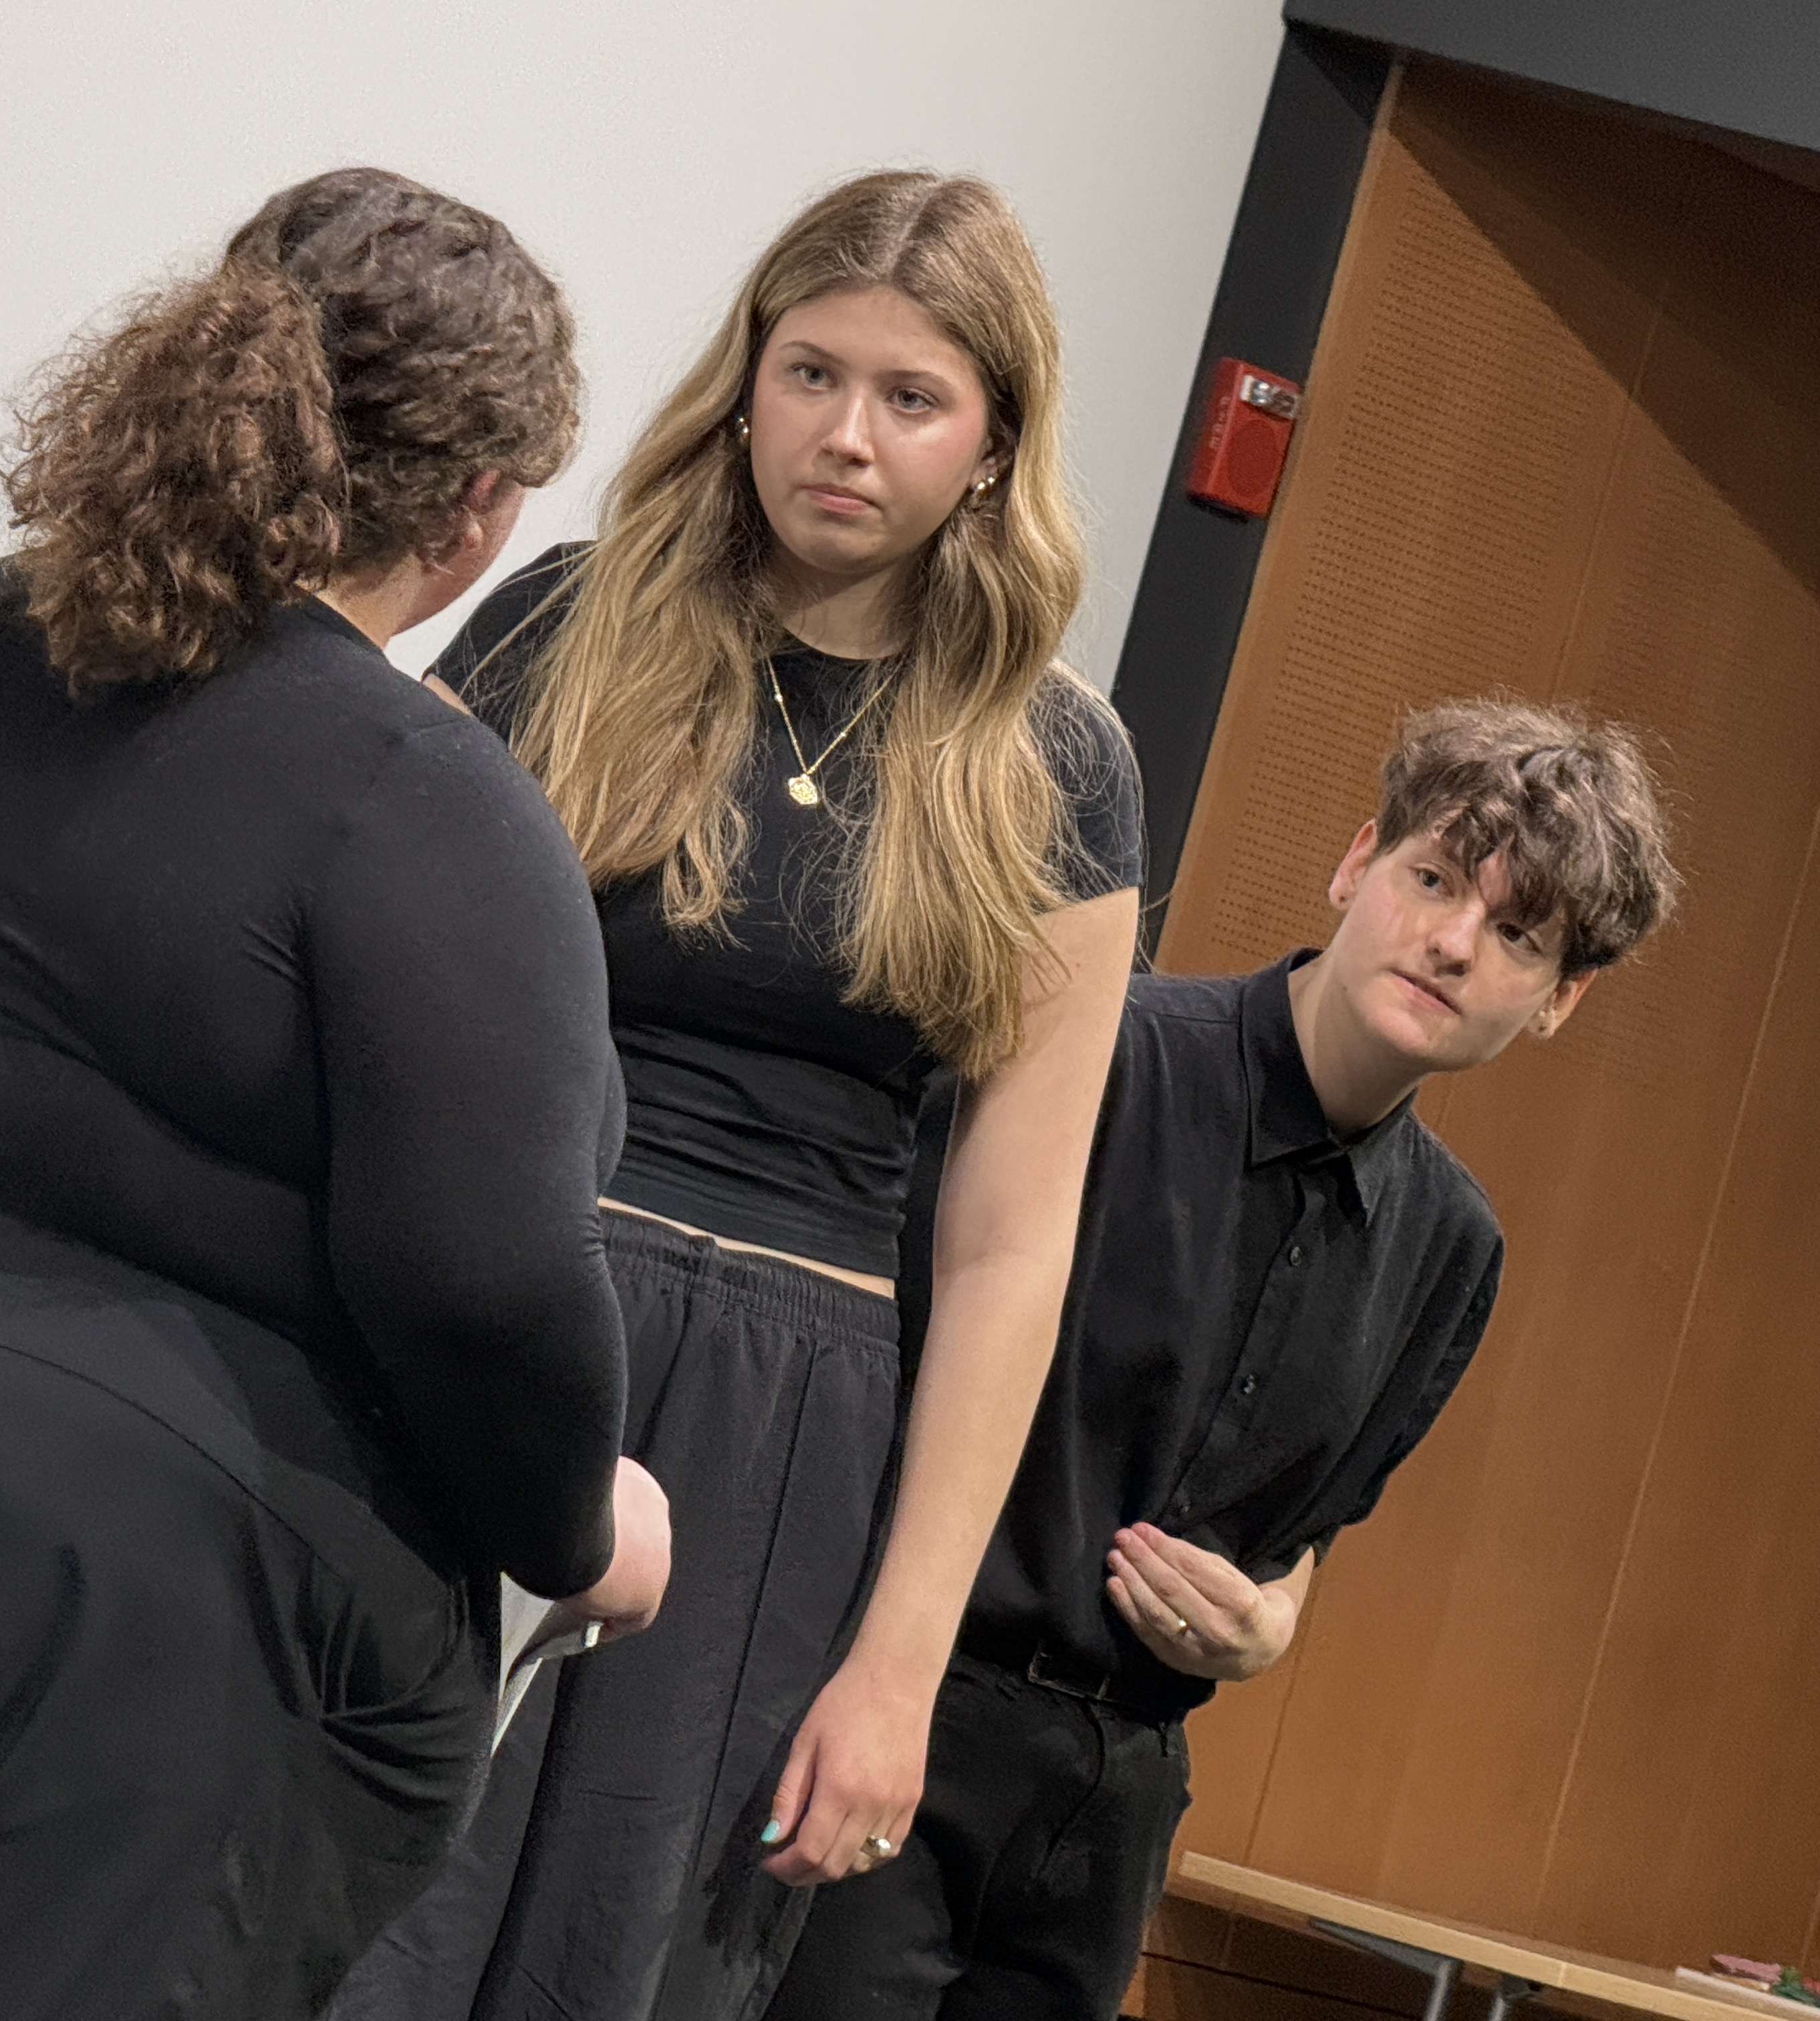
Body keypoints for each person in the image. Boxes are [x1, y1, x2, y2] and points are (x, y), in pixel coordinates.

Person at [0, 167, 672, 2021]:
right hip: (85, 1586)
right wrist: (580, 1528)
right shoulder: (420, 799)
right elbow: (482, 1281)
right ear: (485, 512)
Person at [333, 170, 1142, 2021]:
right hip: (518, 1310)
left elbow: (1013, 1250)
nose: (845, 437)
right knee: (367, 1918)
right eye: (811, 373)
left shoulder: (1057, 766)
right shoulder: (569, 624)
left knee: (628, 1964)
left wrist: (904, 1664)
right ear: (747, 379)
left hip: (796, 1423)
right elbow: (379, 1020)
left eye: (911, 398)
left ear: (996, 445)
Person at [769, 698, 1680, 2020]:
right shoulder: (1106, 1058)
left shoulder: (1453, 1252)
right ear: (1358, 862)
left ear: (1559, 999)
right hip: (909, 1705)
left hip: (1118, 1794)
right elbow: (862, 1364)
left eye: (1518, 934)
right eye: (1433, 880)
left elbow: (1304, 1535)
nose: (1453, 943)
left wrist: (1269, 1626)